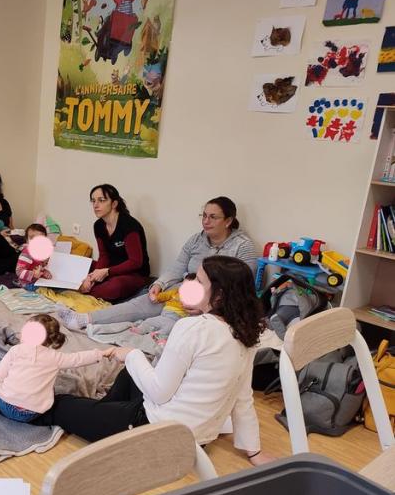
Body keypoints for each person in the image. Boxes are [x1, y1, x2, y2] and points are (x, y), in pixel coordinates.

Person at [37, 256, 273, 467]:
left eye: (199, 282)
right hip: (194, 441)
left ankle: (20, 406)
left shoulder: (191, 327)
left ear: (219, 296)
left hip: (154, 432)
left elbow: (159, 392)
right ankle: (104, 414)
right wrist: (255, 451)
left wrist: (131, 354)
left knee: (61, 404)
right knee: (131, 374)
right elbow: (242, 398)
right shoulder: (246, 335)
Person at [59, 195, 256, 332]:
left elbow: (240, 289)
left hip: (214, 301)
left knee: (163, 322)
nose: (206, 221)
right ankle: (84, 320)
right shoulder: (197, 239)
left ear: (229, 221)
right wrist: (159, 284)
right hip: (183, 289)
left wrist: (207, 307)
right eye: (203, 215)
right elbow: (177, 267)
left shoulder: (242, 246)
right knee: (143, 302)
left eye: (213, 217)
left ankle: (141, 332)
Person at [0, 315, 115, 423]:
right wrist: (101, 353)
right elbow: (78, 359)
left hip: (4, 405)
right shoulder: (56, 357)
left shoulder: (16, 350)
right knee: (53, 397)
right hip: (31, 414)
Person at [78, 184, 150, 302]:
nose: (96, 205)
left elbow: (135, 262)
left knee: (115, 286)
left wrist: (106, 272)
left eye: (101, 200)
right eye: (93, 201)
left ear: (114, 204)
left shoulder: (129, 225)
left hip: (134, 273)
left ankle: (81, 290)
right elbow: (104, 255)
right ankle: (87, 286)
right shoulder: (98, 226)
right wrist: (92, 277)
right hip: (109, 269)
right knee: (84, 264)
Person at [130, 273, 195, 343]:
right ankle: (141, 329)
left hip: (175, 319)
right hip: (164, 315)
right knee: (150, 321)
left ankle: (159, 335)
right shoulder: (176, 292)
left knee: (170, 328)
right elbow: (165, 295)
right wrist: (156, 297)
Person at [15, 223, 52, 289]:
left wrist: (44, 272)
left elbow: (39, 267)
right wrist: (33, 274)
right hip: (26, 283)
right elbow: (19, 271)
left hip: (38, 280)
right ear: (27, 240)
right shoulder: (27, 253)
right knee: (44, 290)